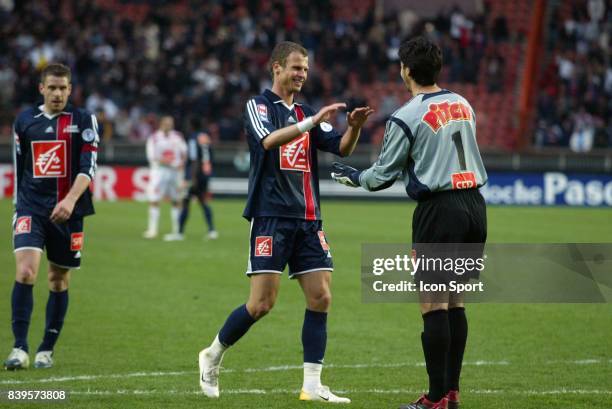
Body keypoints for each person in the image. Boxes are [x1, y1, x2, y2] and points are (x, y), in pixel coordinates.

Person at [197, 41, 374, 403]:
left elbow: (342, 148)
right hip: (271, 217)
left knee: (321, 296)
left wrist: (353, 128)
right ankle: (212, 354)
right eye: (296, 67)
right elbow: (268, 141)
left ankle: (312, 384)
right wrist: (310, 121)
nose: (302, 74)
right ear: (275, 67)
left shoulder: (308, 111)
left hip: (308, 218)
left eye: (306, 69)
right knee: (261, 304)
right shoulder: (259, 105)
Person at [331, 37, 487, 409]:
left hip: (439, 210)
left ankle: (434, 399)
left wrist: (354, 177)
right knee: (456, 302)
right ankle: (451, 394)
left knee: (433, 305)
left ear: (405, 70)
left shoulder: (406, 115)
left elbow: (383, 175)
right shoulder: (463, 104)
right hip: (474, 206)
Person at [5, 63, 99, 370]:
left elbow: (89, 167)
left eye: (63, 88)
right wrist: (19, 206)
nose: (58, 93)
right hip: (31, 207)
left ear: (70, 90)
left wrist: (70, 201)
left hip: (69, 212)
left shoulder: (83, 120)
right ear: (41, 88)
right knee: (26, 272)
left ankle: (47, 348)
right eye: (52, 87)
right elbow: (21, 168)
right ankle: (19, 348)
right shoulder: (25, 121)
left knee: (58, 280)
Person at [142, 115, 187, 241]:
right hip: (159, 172)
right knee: (154, 199)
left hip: (175, 173)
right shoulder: (154, 138)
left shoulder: (178, 136)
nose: (169, 125)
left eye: (171, 123)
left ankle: (176, 230)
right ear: (161, 124)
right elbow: (152, 157)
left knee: (176, 200)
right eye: (166, 123)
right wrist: (169, 162)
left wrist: (180, 166)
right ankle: (153, 229)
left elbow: (184, 153)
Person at [173, 117, 218, 241]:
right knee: (203, 201)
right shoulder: (206, 137)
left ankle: (179, 233)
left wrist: (191, 178)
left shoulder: (193, 138)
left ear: (191, 125)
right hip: (205, 173)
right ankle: (212, 230)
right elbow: (209, 157)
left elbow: (194, 159)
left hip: (195, 175)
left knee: (185, 201)